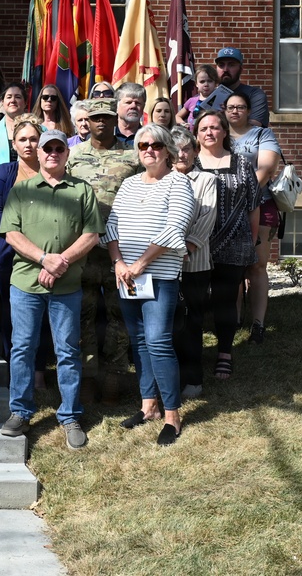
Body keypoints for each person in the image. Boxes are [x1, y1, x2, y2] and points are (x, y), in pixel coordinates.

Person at [0, 128, 103, 450]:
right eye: (48, 148)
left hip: (67, 284)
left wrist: (61, 262)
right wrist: (45, 259)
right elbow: (11, 234)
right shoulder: (21, 190)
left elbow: (91, 234)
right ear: (39, 153)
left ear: (66, 153)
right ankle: (20, 412)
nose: (53, 153)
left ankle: (70, 415)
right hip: (26, 283)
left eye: (59, 148)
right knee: (22, 348)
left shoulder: (82, 190)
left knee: (68, 351)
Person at [105, 124, 195, 446]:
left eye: (156, 145)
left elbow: (174, 228)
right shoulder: (129, 184)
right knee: (139, 341)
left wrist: (140, 264)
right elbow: (112, 226)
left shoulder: (179, 183)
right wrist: (119, 263)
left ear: (168, 150)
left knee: (158, 342)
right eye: (143, 145)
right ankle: (148, 407)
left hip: (158, 277)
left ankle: (172, 416)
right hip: (127, 277)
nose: (149, 150)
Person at [65, 97, 142, 403]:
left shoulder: (132, 156)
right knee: (82, 315)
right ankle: (87, 377)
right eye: (94, 117)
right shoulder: (73, 156)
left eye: (106, 117)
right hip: (82, 250)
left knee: (119, 315)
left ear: (114, 120)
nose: (100, 122)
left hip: (120, 251)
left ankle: (114, 377)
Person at [194, 110, 260, 381]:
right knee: (194, 302)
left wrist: (251, 242)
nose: (209, 132)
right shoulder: (189, 163)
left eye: (214, 127)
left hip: (234, 243)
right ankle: (193, 354)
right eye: (203, 128)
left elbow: (253, 205)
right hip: (196, 246)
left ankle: (224, 353)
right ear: (196, 134)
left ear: (224, 131)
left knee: (225, 301)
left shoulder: (241, 163)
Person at [224, 92, 282, 344]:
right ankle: (235, 319)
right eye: (230, 107)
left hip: (261, 202)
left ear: (248, 111)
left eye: (240, 107)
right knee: (233, 265)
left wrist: (242, 194)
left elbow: (266, 168)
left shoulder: (262, 135)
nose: (235, 111)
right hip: (225, 208)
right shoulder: (218, 134)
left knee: (257, 265)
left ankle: (258, 324)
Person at [0, 115, 41, 363]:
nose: (28, 144)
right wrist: (23, 240)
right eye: (23, 139)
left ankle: (38, 366)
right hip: (7, 253)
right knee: (10, 311)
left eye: (33, 139)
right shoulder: (4, 172)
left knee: (41, 312)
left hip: (44, 254)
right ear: (14, 144)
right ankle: (12, 363)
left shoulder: (52, 172)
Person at [170, 127, 218, 399]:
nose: (181, 154)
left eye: (187, 149)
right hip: (164, 265)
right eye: (176, 149)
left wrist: (186, 247)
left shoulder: (206, 180)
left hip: (195, 264)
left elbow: (206, 219)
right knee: (169, 324)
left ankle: (193, 379)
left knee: (192, 323)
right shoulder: (162, 179)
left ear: (196, 151)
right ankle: (171, 378)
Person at [216, 47, 270, 127]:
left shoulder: (254, 95)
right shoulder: (208, 95)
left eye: (231, 65)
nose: (225, 69)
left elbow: (254, 126)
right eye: (221, 65)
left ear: (241, 69)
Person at [0, 82, 28, 166]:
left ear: (25, 102)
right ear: (2, 102)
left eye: (18, 97)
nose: (13, 100)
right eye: (9, 97)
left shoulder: (39, 129)